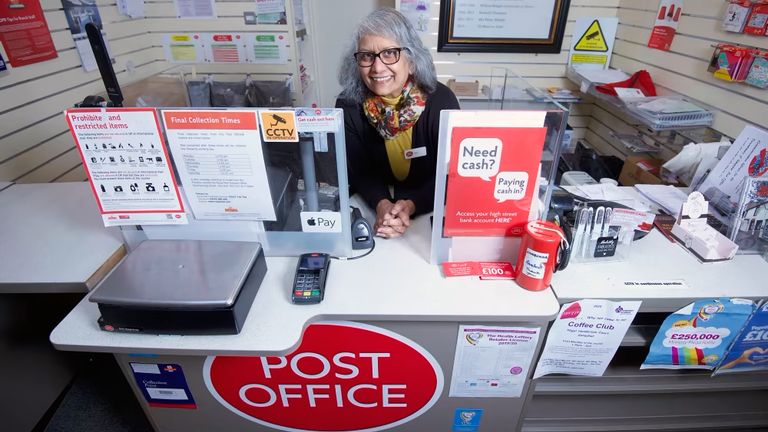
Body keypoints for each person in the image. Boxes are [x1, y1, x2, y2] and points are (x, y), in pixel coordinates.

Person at [336, 8, 459, 238]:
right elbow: (359, 170)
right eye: (366, 56)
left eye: (390, 53)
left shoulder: (441, 101)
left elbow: (450, 171)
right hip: (373, 207)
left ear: (411, 61)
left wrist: (411, 205)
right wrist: (382, 205)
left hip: (427, 214)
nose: (377, 67)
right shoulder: (348, 105)